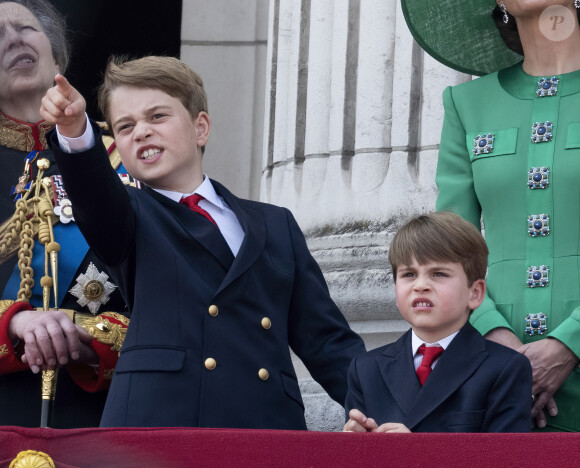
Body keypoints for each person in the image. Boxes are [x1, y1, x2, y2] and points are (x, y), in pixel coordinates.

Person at [40, 55, 366, 429]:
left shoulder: (276, 224)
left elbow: (327, 341)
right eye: (125, 126)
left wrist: (389, 409)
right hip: (158, 429)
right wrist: (74, 129)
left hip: (264, 426)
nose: (141, 132)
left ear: (201, 128)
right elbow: (95, 194)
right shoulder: (127, 214)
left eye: (157, 116)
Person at [402, 0, 580, 431]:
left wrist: (568, 343)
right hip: (492, 372)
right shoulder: (467, 103)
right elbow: (447, 249)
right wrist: (498, 341)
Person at [0, 0, 129, 428]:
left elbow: (172, 293)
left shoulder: (123, 156)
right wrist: (15, 324)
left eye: (25, 28)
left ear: (56, 52)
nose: (13, 38)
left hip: (106, 413)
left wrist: (90, 338)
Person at [343, 212, 532, 433]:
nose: (420, 285)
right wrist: (355, 448)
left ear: (475, 293)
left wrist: (419, 454)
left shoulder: (505, 368)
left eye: (438, 274)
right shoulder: (365, 369)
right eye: (409, 274)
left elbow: (506, 460)